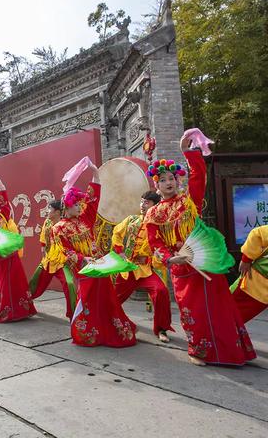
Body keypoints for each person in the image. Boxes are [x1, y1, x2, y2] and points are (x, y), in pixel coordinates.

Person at [145, 136, 256, 366]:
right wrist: (169, 258)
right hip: (181, 265)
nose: (169, 182)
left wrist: (187, 151)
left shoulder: (188, 202)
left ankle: (230, 352)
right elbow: (154, 243)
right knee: (192, 310)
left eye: (172, 178)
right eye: (163, 179)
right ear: (156, 185)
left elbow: (198, 177)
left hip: (204, 260)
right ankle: (198, 350)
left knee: (218, 306)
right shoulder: (153, 214)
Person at [45, 163, 136, 348]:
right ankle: (88, 331)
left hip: (100, 265)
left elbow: (93, 199)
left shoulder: (86, 218)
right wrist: (81, 259)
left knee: (107, 296)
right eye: (76, 205)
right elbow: (65, 250)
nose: (79, 207)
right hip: (84, 268)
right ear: (67, 207)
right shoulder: (58, 228)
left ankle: (113, 328)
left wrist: (95, 173)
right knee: (87, 299)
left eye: (80, 204)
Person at [112, 191, 173, 343]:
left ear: (155, 206)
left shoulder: (160, 226)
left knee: (161, 292)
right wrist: (119, 252)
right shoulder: (131, 220)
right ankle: (107, 321)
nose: (142, 205)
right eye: (141, 202)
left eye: (146, 202)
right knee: (114, 298)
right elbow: (116, 233)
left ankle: (161, 329)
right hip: (128, 268)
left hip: (146, 269)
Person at [0, 177, 37, 323]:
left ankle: (22, 310)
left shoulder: (3, 215)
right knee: (2, 285)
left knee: (17, 282)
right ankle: (6, 312)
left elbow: (4, 198)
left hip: (10, 254)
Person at [30, 200, 76, 318]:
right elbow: (43, 241)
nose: (47, 211)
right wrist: (43, 252)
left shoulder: (66, 224)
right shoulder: (48, 222)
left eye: (49, 208)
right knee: (34, 283)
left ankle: (75, 315)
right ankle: (22, 305)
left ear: (57, 212)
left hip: (62, 262)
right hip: (48, 260)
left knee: (69, 284)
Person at [232, 225, 268, 323]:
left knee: (236, 321)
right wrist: (246, 259)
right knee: (227, 312)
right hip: (253, 281)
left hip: (263, 294)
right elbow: (257, 234)